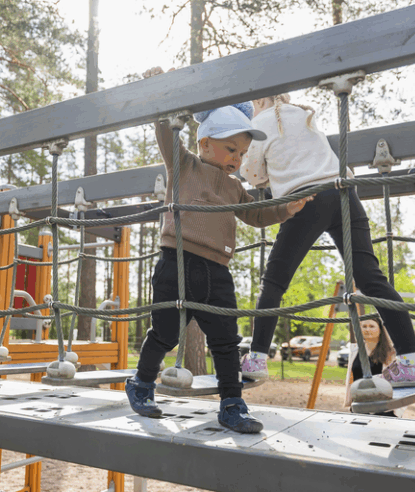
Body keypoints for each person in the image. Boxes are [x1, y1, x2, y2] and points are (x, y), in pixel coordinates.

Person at [125, 69, 312, 434]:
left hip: (217, 273)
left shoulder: (233, 188)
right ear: (206, 143)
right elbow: (166, 131)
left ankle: (231, 403)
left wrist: (285, 208)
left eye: (242, 153)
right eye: (231, 149)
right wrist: (163, 93)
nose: (237, 159)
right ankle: (142, 383)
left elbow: (256, 214)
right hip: (177, 264)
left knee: (226, 341)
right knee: (164, 333)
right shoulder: (184, 165)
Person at [239, 94, 415, 390]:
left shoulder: (262, 122)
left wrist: (269, 175)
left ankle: (256, 359)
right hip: (344, 193)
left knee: (274, 281)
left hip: (305, 198)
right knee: (371, 279)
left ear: (259, 100)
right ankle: (413, 362)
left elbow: (252, 174)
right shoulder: (303, 115)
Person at [343, 317, 402, 417]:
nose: (367, 329)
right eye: (364, 326)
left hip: (382, 409)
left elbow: (398, 382)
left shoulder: (391, 353)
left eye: (371, 326)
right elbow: (351, 378)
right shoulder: (355, 350)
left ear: (380, 329)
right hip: (359, 406)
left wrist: (397, 409)